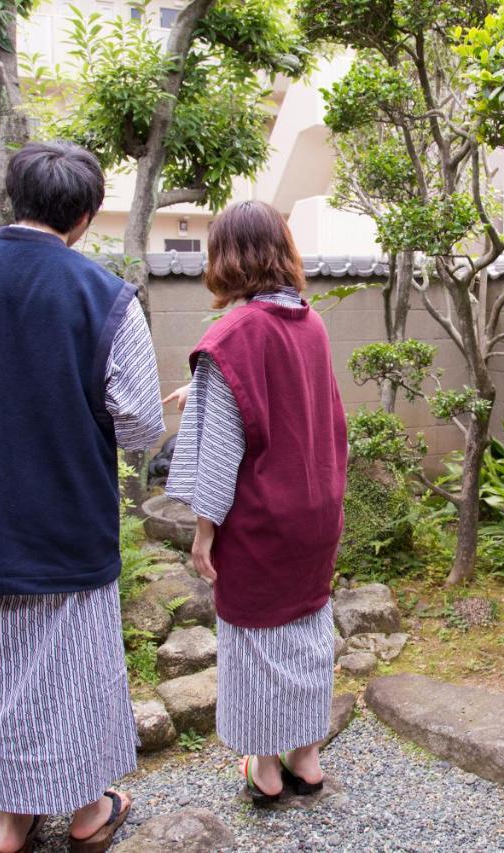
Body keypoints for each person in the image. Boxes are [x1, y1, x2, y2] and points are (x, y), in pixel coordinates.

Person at [0, 142, 164, 853]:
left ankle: (14, 820)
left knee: (2, 673)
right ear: (83, 215)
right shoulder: (104, 294)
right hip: (72, 519)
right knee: (78, 672)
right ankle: (87, 813)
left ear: (13, 200)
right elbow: (142, 421)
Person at [164, 200, 348, 804]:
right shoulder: (310, 324)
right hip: (315, 508)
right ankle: (308, 758)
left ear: (225, 258)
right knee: (307, 629)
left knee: (253, 638)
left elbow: (222, 445)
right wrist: (205, 388)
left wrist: (203, 530)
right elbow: (297, 402)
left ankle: (265, 770)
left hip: (261, 515)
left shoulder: (232, 334)